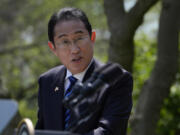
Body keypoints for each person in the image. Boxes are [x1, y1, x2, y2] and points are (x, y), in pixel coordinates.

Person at [35, 7, 133, 135]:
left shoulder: (115, 79)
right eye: (64, 42)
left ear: (92, 37)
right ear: (53, 48)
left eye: (79, 38)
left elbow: (109, 131)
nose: (74, 49)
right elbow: (41, 130)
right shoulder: (47, 81)